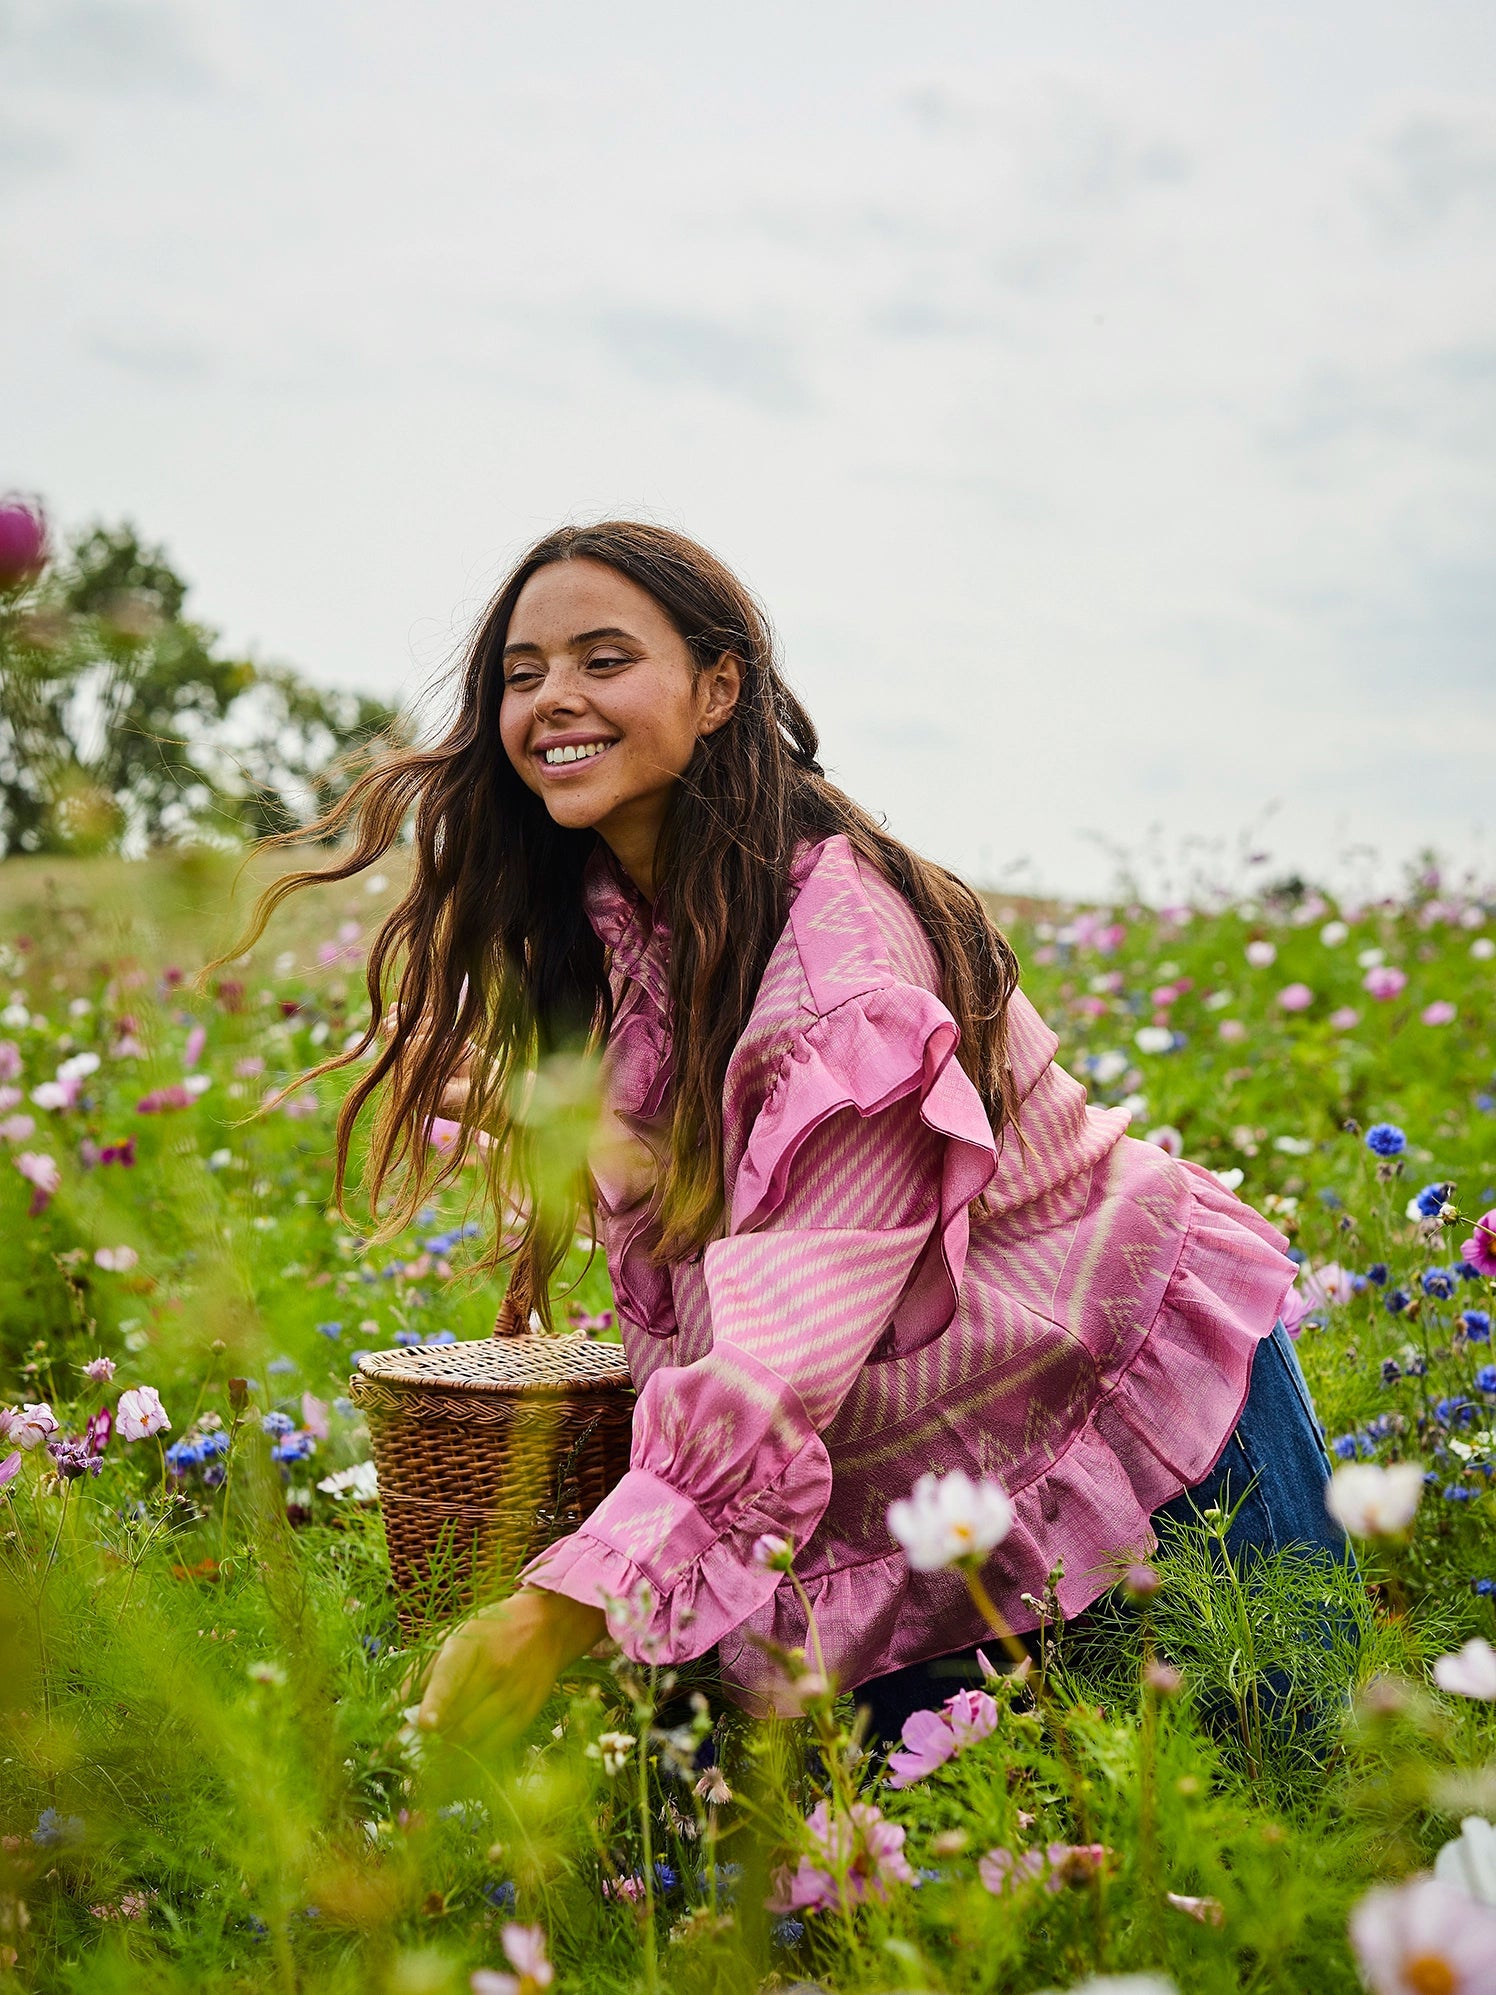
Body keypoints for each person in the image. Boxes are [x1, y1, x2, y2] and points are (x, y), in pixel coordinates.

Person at [243, 521, 1342, 1754]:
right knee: (892, 1899)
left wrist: (557, 1613)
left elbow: (786, 1336)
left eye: (604, 660)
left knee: (1267, 1834)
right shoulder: (622, 921)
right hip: (922, 1476)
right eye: (521, 672)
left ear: (719, 689)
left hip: (1140, 1427)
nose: (554, 698)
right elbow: (712, 1188)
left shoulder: (840, 968)